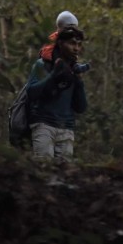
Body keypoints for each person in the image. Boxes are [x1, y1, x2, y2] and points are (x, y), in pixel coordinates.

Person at [26, 18, 88, 161]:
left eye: (79, 44)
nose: (76, 48)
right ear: (61, 43)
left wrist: (78, 80)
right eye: (72, 43)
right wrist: (54, 75)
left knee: (64, 177)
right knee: (43, 172)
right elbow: (32, 93)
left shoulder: (74, 69)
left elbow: (81, 107)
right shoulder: (42, 64)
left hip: (67, 129)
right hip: (43, 125)